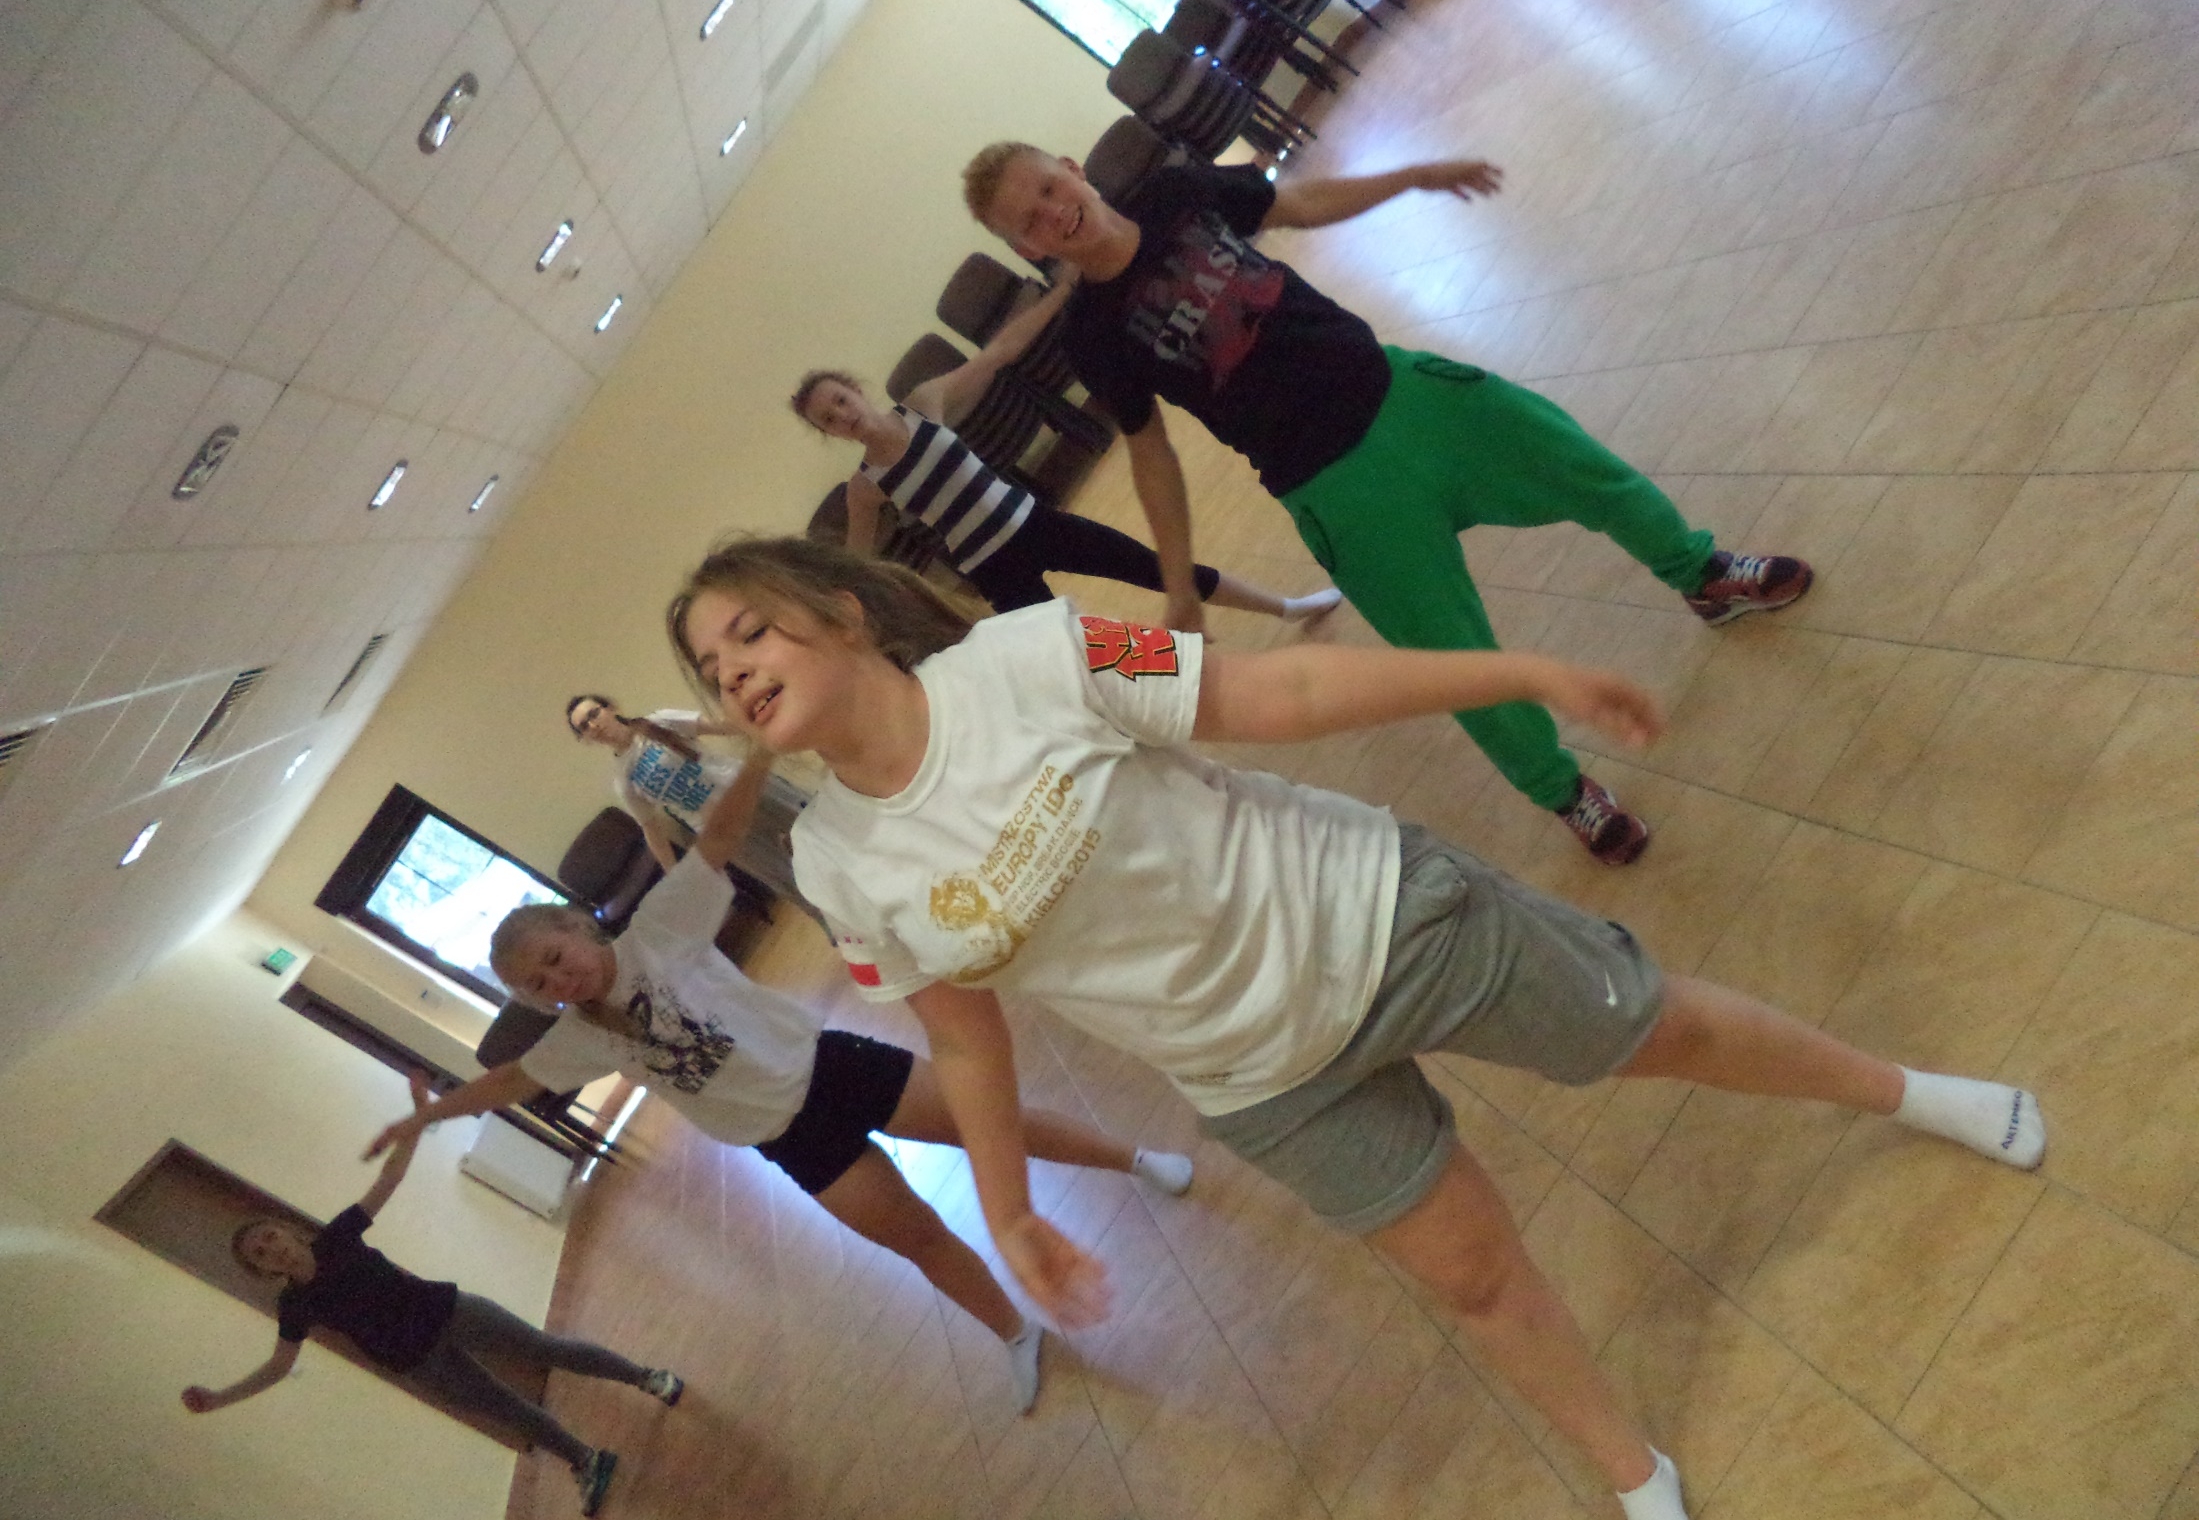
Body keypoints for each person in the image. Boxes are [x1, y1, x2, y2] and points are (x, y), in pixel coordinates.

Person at [665, 537, 2048, 1520]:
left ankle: (1908, 1091)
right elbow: (963, 1036)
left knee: (1660, 1028)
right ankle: (1635, 1473)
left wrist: (1516, 669)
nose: (735, 673)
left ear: (842, 613)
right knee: (1470, 1276)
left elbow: (1275, 693)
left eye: (750, 633)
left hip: (1381, 916)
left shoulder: (1038, 651)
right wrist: (1011, 1204)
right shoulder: (836, 863)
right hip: (1261, 1077)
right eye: (713, 670)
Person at [959, 143, 1819, 864]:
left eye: (1048, 188)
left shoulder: (1179, 192)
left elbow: (1297, 202)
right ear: (1024, 246)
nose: (1052, 213)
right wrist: (1180, 588)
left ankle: (1702, 573)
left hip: (1410, 395)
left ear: (1071, 168)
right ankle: (1564, 793)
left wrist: (1411, 176)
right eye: (1028, 220)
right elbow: (1151, 453)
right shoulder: (1093, 336)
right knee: (1455, 657)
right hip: (1333, 488)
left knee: (1589, 472)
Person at [366, 748, 1195, 1414]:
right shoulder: (577, 1039)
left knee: (999, 1125)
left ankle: (1136, 1159)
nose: (558, 979)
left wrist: (758, 752)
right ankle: (1015, 1332)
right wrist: (426, 1116)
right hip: (789, 1138)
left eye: (555, 956)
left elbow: (720, 838)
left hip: (834, 1068)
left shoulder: (660, 928)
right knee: (916, 1238)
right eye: (538, 984)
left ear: (579, 926)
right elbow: (511, 1079)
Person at [185, 1075, 671, 1516]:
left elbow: (389, 1178)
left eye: (269, 1237)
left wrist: (419, 1116)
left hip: (450, 1311)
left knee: (546, 1349)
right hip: (420, 1363)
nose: (271, 1249)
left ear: (286, 1231)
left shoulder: (336, 1237)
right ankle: (586, 1460)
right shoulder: (293, 1306)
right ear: (262, 1270)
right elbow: (278, 1367)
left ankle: (648, 1378)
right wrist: (220, 1399)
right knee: (507, 1409)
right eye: (260, 1254)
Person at [794, 369, 1339, 623]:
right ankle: (1164, 691)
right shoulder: (865, 488)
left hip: (1037, 524)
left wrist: (1056, 294)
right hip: (992, 571)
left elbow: (1000, 352)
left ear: (855, 388)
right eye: (828, 419)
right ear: (829, 433)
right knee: (1073, 650)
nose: (842, 415)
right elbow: (857, 566)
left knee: (1154, 567)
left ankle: (1285, 607)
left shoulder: (922, 404)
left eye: (840, 400)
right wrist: (824, 605)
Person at [564, 693, 823, 932]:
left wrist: (774, 725)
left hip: (749, 788)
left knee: (818, 829)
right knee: (785, 878)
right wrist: (675, 876)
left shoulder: (659, 722)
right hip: (722, 832)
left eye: (594, 714)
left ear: (609, 708)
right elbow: (651, 829)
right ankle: (838, 929)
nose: (593, 725)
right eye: (584, 727)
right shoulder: (624, 780)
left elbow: (720, 727)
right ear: (585, 739)